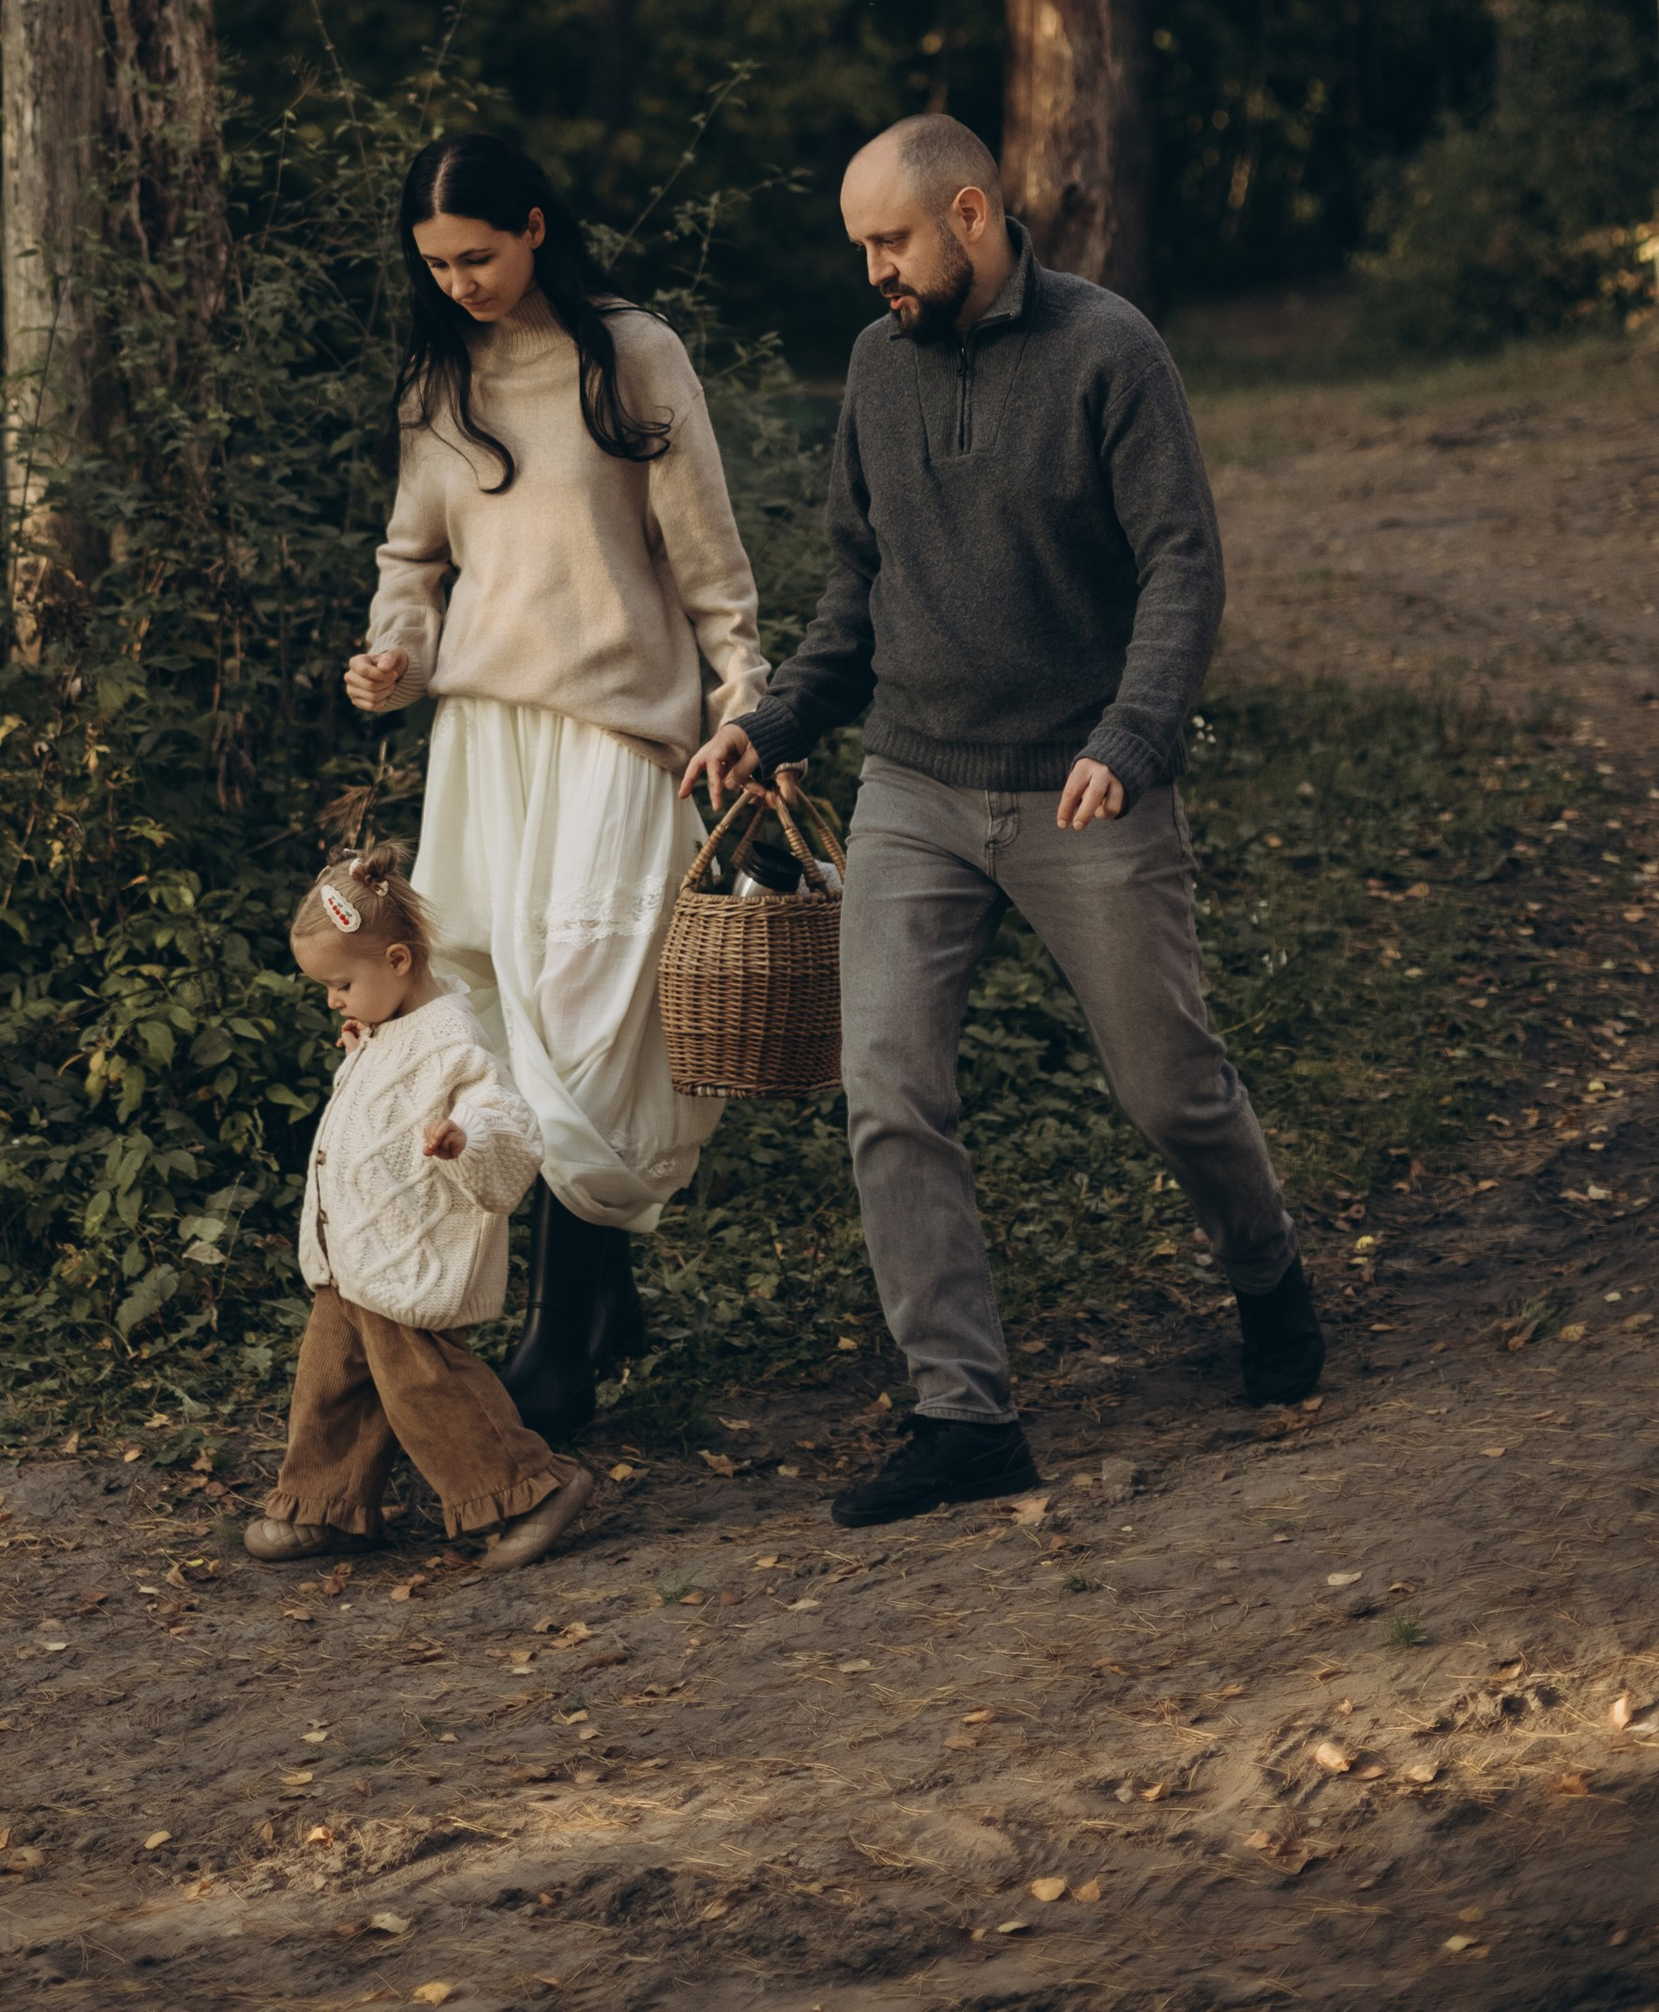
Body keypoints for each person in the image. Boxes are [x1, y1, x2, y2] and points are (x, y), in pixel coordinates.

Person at [687, 115, 1323, 1531]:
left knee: (1171, 1086)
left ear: (970, 213)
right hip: (912, 783)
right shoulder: (875, 367)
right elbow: (855, 586)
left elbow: (1180, 565)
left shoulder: (1110, 353)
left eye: (891, 242)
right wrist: (775, 721)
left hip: (1084, 781)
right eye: (861, 247)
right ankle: (961, 1412)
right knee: (890, 1089)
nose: (874, 274)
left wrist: (1133, 734)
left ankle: (1268, 1271)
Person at [346, 133, 770, 1437]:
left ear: (534, 228)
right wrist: (394, 654)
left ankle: (561, 1340)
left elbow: (708, 555)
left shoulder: (632, 354)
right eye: (437, 265)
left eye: (479, 254)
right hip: (483, 739)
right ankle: (596, 1305)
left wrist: (748, 697)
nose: (462, 281)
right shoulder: (440, 377)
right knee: (497, 1014)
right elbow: (412, 563)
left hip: (621, 734)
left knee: (588, 1015)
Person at [245, 841, 597, 1571]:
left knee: (426, 1388)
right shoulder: (391, 1026)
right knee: (331, 1384)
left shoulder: (452, 1039)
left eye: (340, 984)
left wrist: (463, 1137)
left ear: (398, 961)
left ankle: (530, 1490)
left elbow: (506, 1116)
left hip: (409, 1254)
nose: (333, 1000)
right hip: (353, 1257)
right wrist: (361, 1046)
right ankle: (326, 1506)